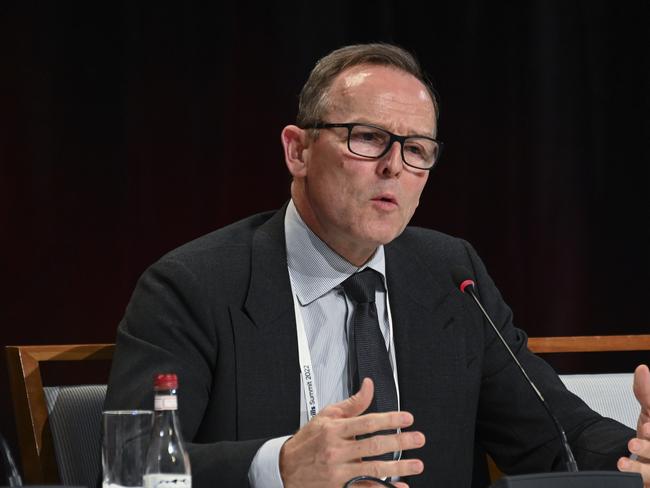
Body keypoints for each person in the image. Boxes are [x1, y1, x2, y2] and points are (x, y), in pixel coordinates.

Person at [104, 43, 650, 488]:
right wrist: (280, 465)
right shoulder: (193, 285)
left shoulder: (450, 274)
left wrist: (634, 456)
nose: (394, 166)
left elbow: (551, 432)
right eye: (368, 138)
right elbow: (133, 466)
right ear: (298, 151)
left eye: (417, 149)